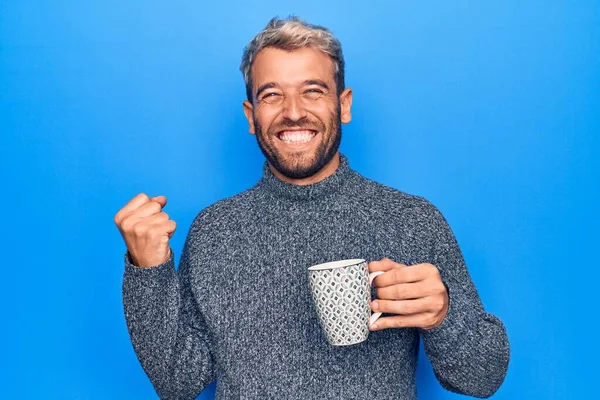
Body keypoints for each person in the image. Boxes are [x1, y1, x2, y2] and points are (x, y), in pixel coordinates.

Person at [115, 16, 510, 400]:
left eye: (313, 91)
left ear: (344, 105)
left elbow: (483, 378)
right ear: (252, 116)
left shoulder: (412, 220)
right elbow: (177, 383)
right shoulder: (214, 230)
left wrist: (444, 317)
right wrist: (148, 268)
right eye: (271, 94)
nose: (293, 112)